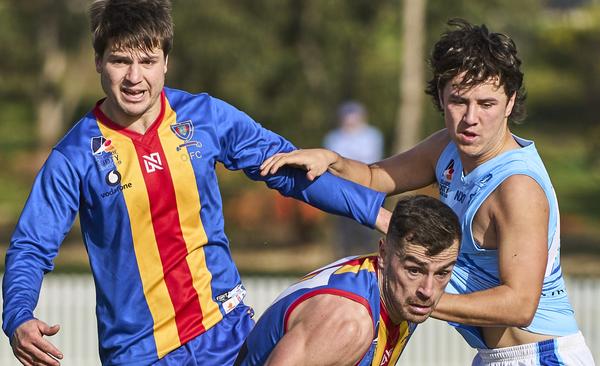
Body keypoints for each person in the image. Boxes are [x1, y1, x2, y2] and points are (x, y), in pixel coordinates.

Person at [1, 1, 389, 365]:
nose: (135, 77)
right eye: (120, 61)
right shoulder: (75, 156)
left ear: (166, 62)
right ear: (98, 61)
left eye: (148, 61)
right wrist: (18, 316)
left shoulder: (204, 117)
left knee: (342, 321)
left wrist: (379, 216)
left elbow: (291, 170)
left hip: (226, 332)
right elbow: (31, 246)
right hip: (140, 353)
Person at [260, 19, 595, 365]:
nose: (470, 118)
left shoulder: (517, 188)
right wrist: (330, 160)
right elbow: (376, 177)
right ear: (440, 96)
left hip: (541, 357)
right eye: (458, 101)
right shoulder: (447, 147)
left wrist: (416, 298)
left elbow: (520, 305)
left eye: (487, 104)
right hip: (495, 357)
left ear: (509, 103)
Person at [234, 195, 461, 366]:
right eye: (414, 270)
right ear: (383, 254)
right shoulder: (350, 325)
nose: (428, 290)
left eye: (442, 273)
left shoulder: (398, 293)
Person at [323, 101, 384, 256]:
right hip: (341, 191)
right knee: (344, 235)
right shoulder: (334, 137)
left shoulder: (372, 135)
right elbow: (332, 164)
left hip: (367, 191)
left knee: (369, 231)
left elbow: (371, 160)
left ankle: (375, 260)